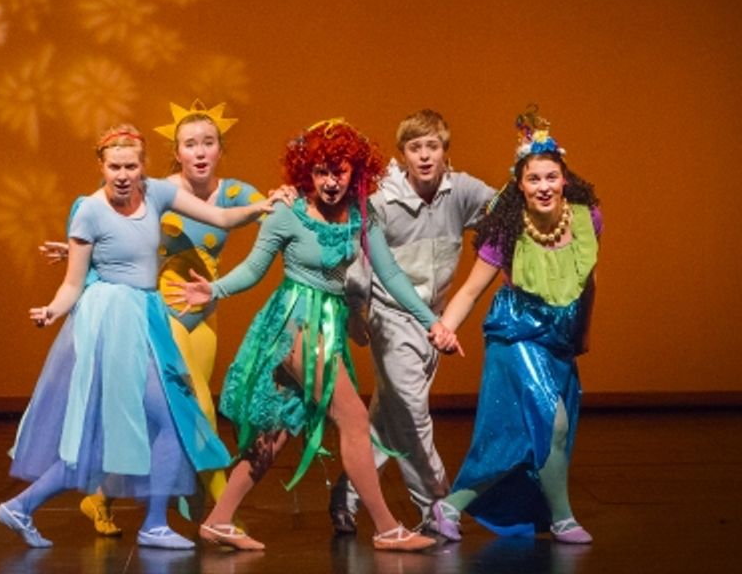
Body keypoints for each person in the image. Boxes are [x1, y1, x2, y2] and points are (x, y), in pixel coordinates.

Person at [178, 118, 454, 552]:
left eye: (339, 171)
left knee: (280, 428)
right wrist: (214, 290)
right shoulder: (287, 213)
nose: (330, 182)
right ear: (307, 171)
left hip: (329, 323)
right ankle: (386, 528)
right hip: (295, 322)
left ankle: (219, 519)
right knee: (354, 418)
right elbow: (253, 269)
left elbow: (391, 275)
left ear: (354, 171)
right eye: (321, 171)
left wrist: (430, 321)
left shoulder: (362, 215)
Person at [0, 124, 280, 550]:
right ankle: (146, 522)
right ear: (101, 166)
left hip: (148, 313)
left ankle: (34, 507)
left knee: (153, 425)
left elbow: (222, 217)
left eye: (131, 166)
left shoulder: (157, 193)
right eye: (114, 167)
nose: (123, 175)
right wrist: (53, 310)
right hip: (111, 320)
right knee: (144, 423)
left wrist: (264, 206)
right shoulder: (89, 211)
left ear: (144, 166)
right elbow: (73, 283)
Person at [428, 107, 601, 544]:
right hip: (516, 334)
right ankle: (562, 517)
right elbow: (470, 291)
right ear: (519, 185)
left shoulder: (586, 219)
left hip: (559, 339)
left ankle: (450, 506)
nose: (544, 186)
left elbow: (588, 280)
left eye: (551, 177)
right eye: (534, 179)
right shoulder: (507, 230)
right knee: (551, 422)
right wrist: (445, 327)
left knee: (522, 435)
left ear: (564, 179)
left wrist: (582, 332)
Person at [330, 110, 495, 534]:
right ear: (402, 154)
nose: (424, 156)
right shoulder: (383, 199)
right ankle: (437, 507)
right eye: (415, 147)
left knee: (390, 418)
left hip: (434, 317)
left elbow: (507, 210)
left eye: (432, 147)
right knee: (413, 416)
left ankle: (347, 494)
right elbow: (362, 259)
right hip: (391, 316)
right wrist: (355, 310)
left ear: (445, 151)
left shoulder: (461, 191)